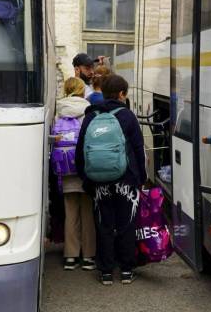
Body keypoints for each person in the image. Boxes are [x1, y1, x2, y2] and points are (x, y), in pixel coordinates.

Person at [75, 74, 146, 286]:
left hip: (98, 180)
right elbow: (138, 149)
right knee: (126, 223)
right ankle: (126, 270)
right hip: (126, 178)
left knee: (104, 224)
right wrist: (141, 177)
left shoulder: (90, 115)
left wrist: (86, 177)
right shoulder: (128, 116)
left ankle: (106, 271)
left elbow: (81, 151)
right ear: (122, 94)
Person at [54, 77, 97, 271]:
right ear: (81, 91)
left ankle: (70, 256)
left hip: (64, 167)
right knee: (87, 212)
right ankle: (88, 256)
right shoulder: (87, 110)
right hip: (84, 167)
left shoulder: (59, 111)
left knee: (70, 212)